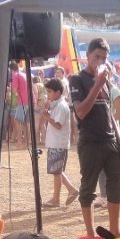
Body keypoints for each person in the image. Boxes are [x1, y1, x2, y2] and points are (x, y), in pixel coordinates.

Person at [69, 37, 120, 239]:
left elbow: (111, 114)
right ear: (87, 56)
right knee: (88, 189)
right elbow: (81, 112)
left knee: (115, 187)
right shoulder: (77, 80)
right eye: (97, 57)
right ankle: (89, 235)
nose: (100, 61)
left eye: (104, 58)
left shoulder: (108, 81)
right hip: (90, 142)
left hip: (110, 141)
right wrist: (97, 84)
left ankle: (115, 232)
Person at [43, 77, 79, 207]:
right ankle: (70, 190)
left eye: (49, 92)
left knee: (56, 172)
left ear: (58, 92)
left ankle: (57, 198)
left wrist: (47, 117)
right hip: (56, 142)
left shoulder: (61, 106)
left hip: (58, 143)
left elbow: (58, 125)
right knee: (57, 171)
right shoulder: (58, 105)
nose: (48, 94)